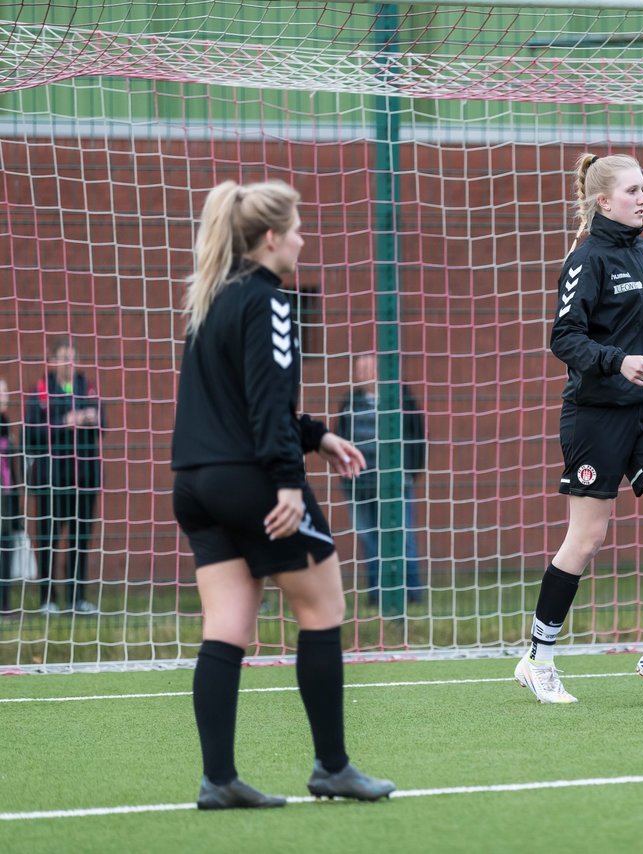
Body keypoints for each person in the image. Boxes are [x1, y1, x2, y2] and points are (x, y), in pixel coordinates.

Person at [171, 179, 394, 809]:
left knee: (226, 628)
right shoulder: (270, 301)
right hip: (252, 481)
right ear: (271, 238)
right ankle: (332, 768)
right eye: (296, 228)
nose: (302, 238)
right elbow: (267, 404)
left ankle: (218, 780)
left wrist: (320, 434)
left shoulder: (210, 299)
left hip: (194, 484)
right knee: (322, 611)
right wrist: (291, 483)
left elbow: (246, 404)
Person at [515, 152, 643, 704]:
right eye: (632, 191)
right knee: (586, 539)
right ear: (604, 201)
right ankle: (538, 658)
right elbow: (565, 338)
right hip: (596, 415)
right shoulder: (587, 258)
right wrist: (616, 362)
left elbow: (638, 340)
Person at [334, 354, 426, 607]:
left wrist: (409, 472)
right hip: (361, 484)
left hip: (396, 483)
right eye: (359, 369)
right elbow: (340, 439)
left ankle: (412, 592)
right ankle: (376, 594)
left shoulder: (401, 398)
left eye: (367, 368)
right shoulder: (350, 402)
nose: (362, 374)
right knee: (369, 537)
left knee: (404, 536)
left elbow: (418, 435)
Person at [24, 337, 102, 614]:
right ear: (53, 360)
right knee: (48, 539)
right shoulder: (41, 391)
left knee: (80, 540)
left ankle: (77, 598)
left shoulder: (87, 387)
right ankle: (48, 599)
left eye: (72, 358)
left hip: (85, 479)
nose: (68, 364)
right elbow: (30, 433)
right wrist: (64, 422)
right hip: (51, 480)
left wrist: (91, 417)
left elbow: (103, 421)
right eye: (63, 358)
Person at [1, 378, 24, 615]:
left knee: (6, 547)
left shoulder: (6, 423)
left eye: (5, 393)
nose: (3, 397)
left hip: (6, 495)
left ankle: (4, 603)